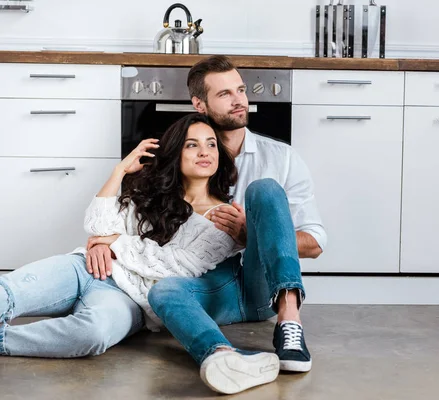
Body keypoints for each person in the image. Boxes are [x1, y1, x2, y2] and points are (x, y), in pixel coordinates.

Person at [0, 114, 269, 366]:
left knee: (92, 334)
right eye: (192, 145)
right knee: (7, 292)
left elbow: (174, 267)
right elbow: (96, 225)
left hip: (130, 302)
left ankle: (4, 341)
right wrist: (119, 171)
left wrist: (112, 241)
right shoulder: (149, 194)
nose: (204, 152)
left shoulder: (224, 218)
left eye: (211, 144)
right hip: (84, 269)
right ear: (176, 154)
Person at [145, 55, 327, 395]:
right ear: (199, 104)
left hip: (263, 288)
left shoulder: (282, 158)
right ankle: (224, 356)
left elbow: (315, 243)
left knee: (265, 189)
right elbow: (139, 219)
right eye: (225, 93)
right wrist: (101, 239)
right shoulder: (183, 158)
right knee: (163, 290)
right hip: (214, 288)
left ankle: (290, 320)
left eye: (241, 90)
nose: (240, 100)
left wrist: (251, 234)